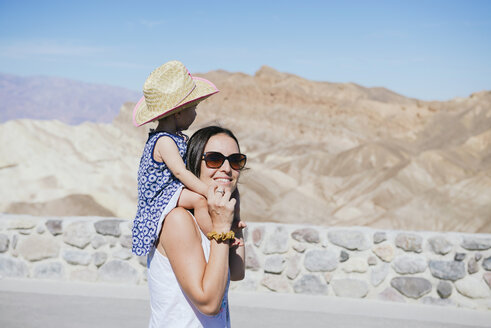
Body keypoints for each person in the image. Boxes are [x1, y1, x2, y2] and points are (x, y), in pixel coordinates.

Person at [131, 60, 242, 257]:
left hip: (171, 191)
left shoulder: (174, 138)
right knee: (199, 200)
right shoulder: (164, 141)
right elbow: (180, 171)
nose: (195, 114)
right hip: (160, 194)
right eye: (193, 108)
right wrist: (208, 192)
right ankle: (216, 236)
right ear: (179, 112)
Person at [147, 125, 246, 327]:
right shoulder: (178, 220)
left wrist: (232, 216)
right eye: (214, 159)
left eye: (236, 161)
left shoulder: (217, 218)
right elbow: (208, 303)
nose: (226, 169)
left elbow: (236, 272)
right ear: (194, 164)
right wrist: (220, 229)